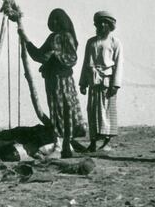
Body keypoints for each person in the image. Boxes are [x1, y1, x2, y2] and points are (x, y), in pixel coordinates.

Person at [19, 8, 88, 158]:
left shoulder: (67, 37)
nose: (55, 22)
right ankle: (60, 143)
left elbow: (72, 58)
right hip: (52, 80)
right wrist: (26, 41)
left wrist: (54, 56)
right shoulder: (52, 37)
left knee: (67, 110)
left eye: (58, 19)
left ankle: (65, 145)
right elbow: (39, 56)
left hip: (64, 80)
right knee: (56, 110)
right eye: (53, 20)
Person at [79, 11, 123, 152]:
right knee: (92, 112)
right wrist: (83, 82)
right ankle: (93, 142)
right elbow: (86, 62)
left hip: (107, 83)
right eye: (99, 23)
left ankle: (106, 142)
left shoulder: (115, 42)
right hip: (93, 82)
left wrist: (115, 84)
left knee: (106, 112)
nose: (101, 25)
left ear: (110, 25)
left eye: (104, 22)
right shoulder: (91, 42)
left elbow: (119, 63)